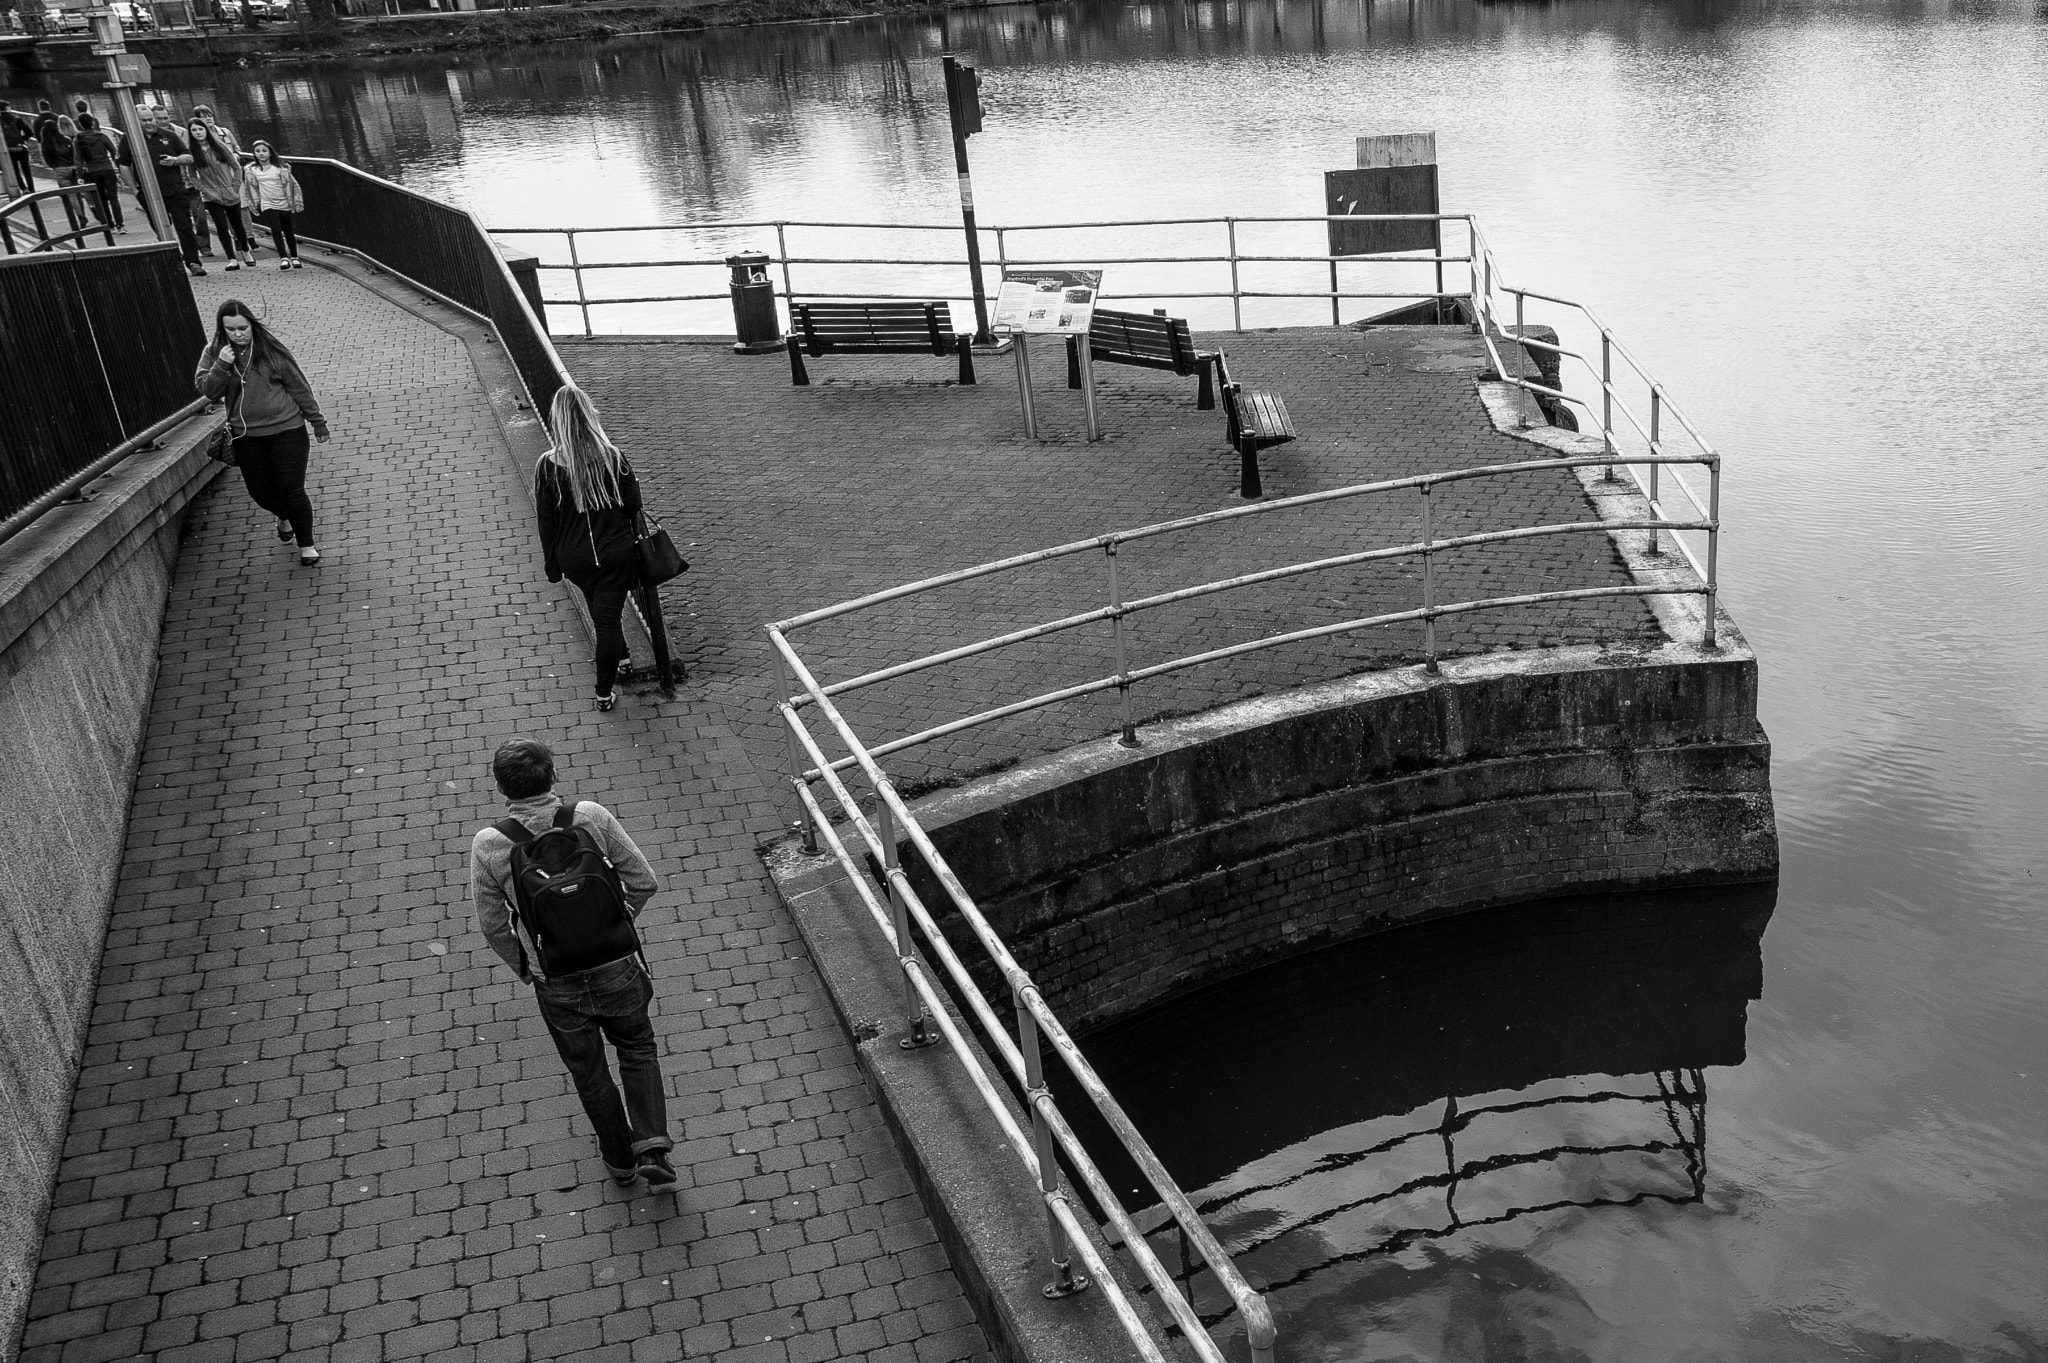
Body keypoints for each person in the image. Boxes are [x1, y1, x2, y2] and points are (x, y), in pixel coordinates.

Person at [467, 737, 675, 1189]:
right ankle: (653, 1145)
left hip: (556, 977)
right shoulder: (590, 816)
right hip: (617, 965)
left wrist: (528, 967)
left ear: (501, 786)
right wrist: (615, 923)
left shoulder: (489, 844)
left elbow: (493, 926)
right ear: (553, 776)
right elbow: (644, 881)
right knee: (637, 1048)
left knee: (589, 1071)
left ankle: (621, 1161)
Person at [532, 385, 647, 712]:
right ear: (588, 414)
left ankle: (621, 656)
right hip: (615, 555)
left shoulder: (547, 466)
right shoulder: (613, 456)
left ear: (558, 420)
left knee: (602, 613)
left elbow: (546, 523)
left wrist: (552, 565)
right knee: (607, 620)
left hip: (575, 559)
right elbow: (633, 505)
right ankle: (603, 691)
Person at [193, 300, 331, 566]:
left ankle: (307, 544)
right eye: (231, 329)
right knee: (260, 492)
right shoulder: (215, 352)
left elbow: (299, 387)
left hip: (287, 429)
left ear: (252, 324)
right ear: (222, 329)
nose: (238, 334)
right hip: (247, 436)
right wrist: (221, 364)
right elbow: (208, 391)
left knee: (291, 488)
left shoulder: (270, 350)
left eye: (243, 327)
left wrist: (317, 422)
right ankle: (284, 516)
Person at [135, 104, 203, 276]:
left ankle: (193, 262)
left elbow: (189, 157)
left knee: (185, 226)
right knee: (161, 227)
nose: (150, 123)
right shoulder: (131, 139)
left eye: (151, 119)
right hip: (149, 193)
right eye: (145, 120)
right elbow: (124, 165)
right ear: (137, 121)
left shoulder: (170, 136)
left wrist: (174, 160)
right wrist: (133, 189)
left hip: (175, 190)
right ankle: (173, 258)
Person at [187, 116, 253, 268]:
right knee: (221, 226)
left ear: (206, 130)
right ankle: (231, 258)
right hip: (211, 196)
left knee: (238, 225)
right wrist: (204, 190)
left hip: (230, 192)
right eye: (194, 130)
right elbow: (191, 175)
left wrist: (235, 186)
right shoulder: (192, 152)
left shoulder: (219, 146)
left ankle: (245, 250)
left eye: (200, 129)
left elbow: (236, 166)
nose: (198, 133)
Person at [240, 139, 303, 269]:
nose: (261, 154)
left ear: (270, 153)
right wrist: (252, 204)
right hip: (267, 203)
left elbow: (293, 185)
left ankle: (295, 257)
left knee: (288, 229)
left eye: (264, 151)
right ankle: (283, 258)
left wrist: (297, 201)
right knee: (275, 229)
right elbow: (248, 189)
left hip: (284, 201)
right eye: (257, 151)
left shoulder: (281, 168)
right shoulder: (251, 170)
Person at [71, 114, 123, 231]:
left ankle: (109, 224)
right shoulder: (102, 136)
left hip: (93, 172)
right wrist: (119, 169)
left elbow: (78, 159)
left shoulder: (78, 139)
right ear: (92, 123)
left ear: (79, 124)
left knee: (101, 199)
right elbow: (114, 153)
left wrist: (80, 175)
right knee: (114, 198)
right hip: (108, 169)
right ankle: (120, 224)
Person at [0, 101, 34, 198]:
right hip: (21, 148)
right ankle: (31, 189)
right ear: (7, 108)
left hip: (8, 150)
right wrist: (22, 139)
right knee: (26, 169)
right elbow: (30, 133)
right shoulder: (17, 119)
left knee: (15, 170)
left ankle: (23, 188)